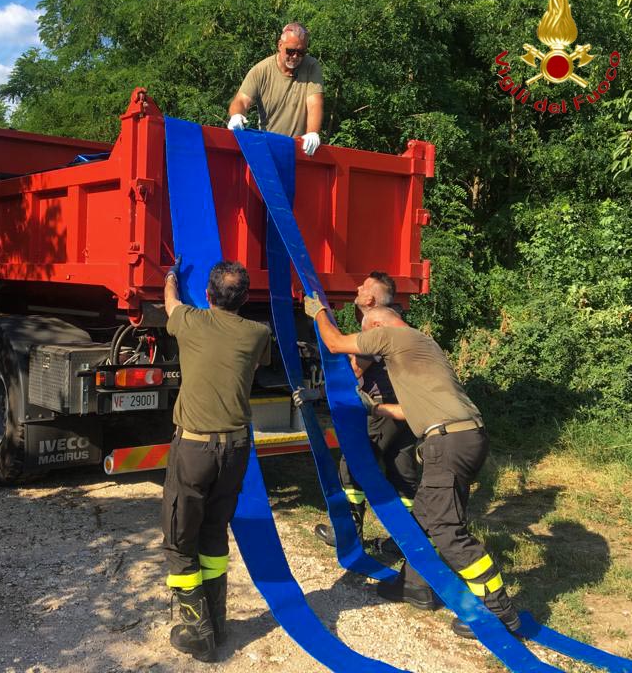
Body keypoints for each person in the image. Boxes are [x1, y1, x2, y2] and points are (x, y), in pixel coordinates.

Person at [305, 299, 522, 638]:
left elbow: (333, 343)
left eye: (365, 333)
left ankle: (500, 610)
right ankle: (414, 585)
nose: (365, 346)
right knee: (422, 515)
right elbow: (411, 410)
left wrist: (317, 310)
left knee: (446, 528)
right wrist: (376, 408)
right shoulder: (422, 346)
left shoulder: (391, 336)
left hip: (448, 441)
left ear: (377, 327)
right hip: (464, 436)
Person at [161, 259, 272, 662]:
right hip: (236, 450)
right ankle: (219, 624)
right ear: (245, 298)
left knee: (179, 539)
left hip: (195, 450)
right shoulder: (259, 333)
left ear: (207, 296)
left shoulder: (191, 322)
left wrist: (171, 278)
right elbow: (255, 362)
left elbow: (170, 302)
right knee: (213, 533)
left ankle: (198, 631)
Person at [313, 273, 419, 558]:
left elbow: (354, 370)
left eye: (362, 287)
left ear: (370, 300)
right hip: (407, 408)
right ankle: (407, 539)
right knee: (402, 470)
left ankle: (349, 533)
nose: (357, 288)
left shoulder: (377, 327)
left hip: (381, 409)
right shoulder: (399, 322)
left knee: (354, 465)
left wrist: (319, 314)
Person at [227, 22, 324, 156]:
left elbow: (314, 103)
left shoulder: (311, 66)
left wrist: (312, 133)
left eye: (301, 52)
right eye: (291, 51)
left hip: (299, 151)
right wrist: (237, 115)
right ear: (280, 45)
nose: (295, 56)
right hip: (268, 149)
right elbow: (241, 101)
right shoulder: (261, 70)